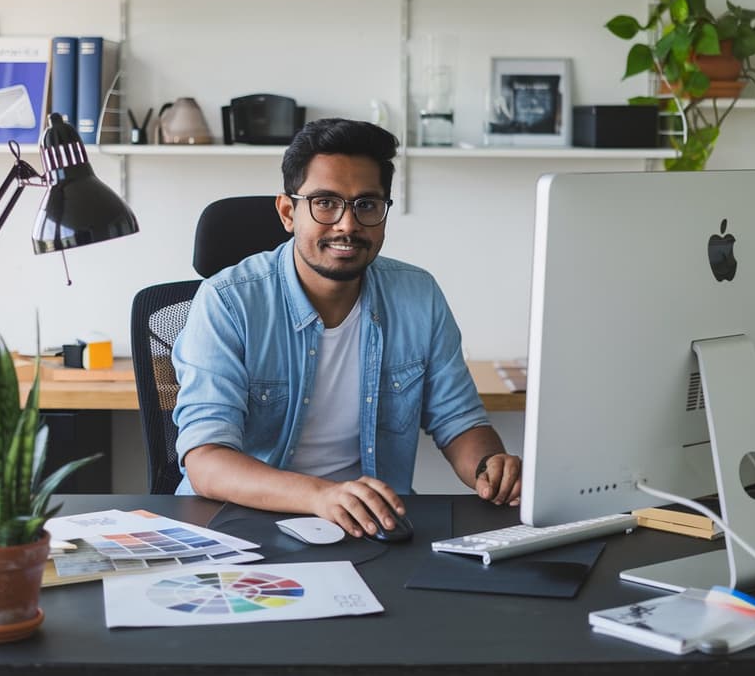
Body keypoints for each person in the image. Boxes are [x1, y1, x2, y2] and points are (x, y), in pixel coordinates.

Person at [172, 118, 521, 539]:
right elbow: (206, 459)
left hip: (375, 527)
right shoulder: (227, 301)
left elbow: (459, 421)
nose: (347, 225)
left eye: (366, 205)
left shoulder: (418, 295)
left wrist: (489, 467)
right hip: (244, 527)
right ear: (288, 212)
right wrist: (322, 496)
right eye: (325, 202)